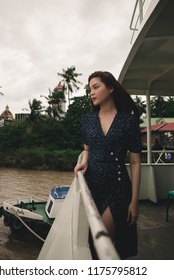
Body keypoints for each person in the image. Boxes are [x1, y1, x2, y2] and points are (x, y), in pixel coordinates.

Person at [74, 71, 141, 259]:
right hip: (93, 185)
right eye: (89, 89)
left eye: (96, 87)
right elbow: (87, 149)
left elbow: (135, 162)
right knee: (92, 243)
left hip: (118, 187)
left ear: (110, 88)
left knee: (103, 241)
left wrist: (134, 202)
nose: (91, 93)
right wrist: (84, 162)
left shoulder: (128, 121)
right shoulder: (87, 120)